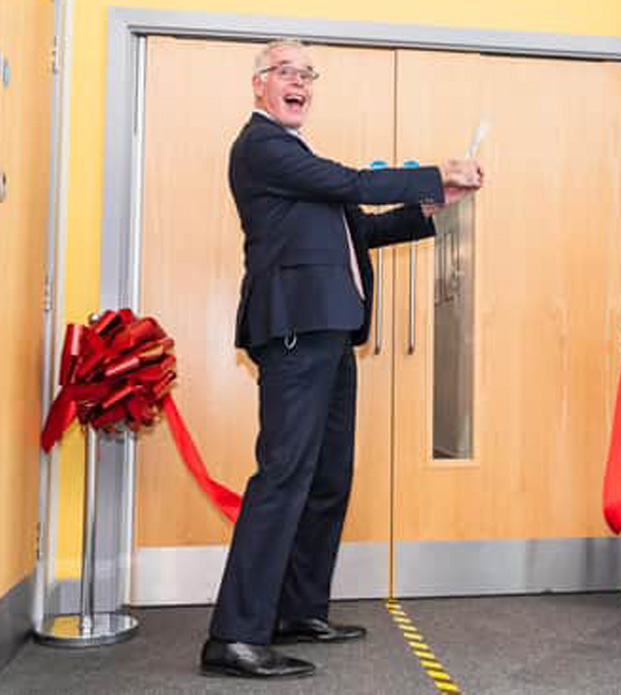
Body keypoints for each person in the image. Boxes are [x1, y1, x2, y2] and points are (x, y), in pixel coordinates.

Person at [200, 39, 483, 679]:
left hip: (331, 330)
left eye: (307, 73)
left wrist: (437, 205)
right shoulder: (263, 147)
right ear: (259, 85)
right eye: (285, 72)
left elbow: (363, 225)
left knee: (327, 478)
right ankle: (235, 636)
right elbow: (354, 184)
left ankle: (298, 609)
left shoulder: (295, 157)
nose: (298, 81)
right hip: (297, 329)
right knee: (284, 475)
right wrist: (436, 172)